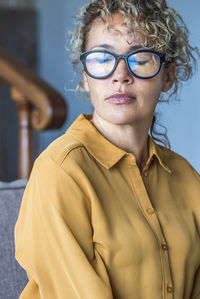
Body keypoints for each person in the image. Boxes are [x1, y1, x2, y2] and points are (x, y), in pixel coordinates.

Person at [15, 0, 200, 298]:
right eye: (102, 59)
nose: (120, 75)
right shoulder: (60, 172)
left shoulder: (187, 178)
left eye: (140, 59)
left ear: (168, 76)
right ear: (85, 77)